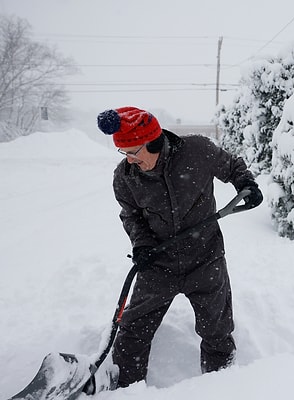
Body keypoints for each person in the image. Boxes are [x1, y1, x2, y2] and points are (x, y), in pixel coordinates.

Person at [96, 106, 263, 388]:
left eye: (134, 152)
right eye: (124, 153)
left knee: (217, 333)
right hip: (158, 264)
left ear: (155, 141)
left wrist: (246, 183)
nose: (130, 160)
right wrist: (142, 245)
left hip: (206, 258)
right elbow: (132, 216)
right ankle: (125, 391)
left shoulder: (197, 151)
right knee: (132, 334)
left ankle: (220, 388)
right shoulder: (125, 177)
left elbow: (232, 166)